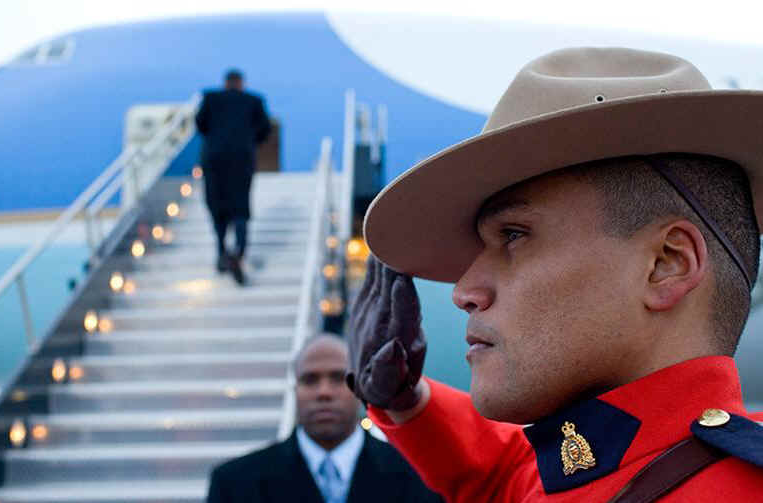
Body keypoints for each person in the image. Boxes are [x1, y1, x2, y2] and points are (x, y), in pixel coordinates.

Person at [345, 47, 763, 502]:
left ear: (667, 264)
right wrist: (407, 403)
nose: (464, 291)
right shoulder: (591, 466)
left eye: (514, 235)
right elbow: (507, 472)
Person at [207, 333, 443, 503]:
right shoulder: (234, 484)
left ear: (360, 387)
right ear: (295, 391)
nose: (324, 392)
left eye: (339, 378)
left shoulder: (417, 476)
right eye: (310, 380)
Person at [195, 69, 271, 285]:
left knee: (216, 205)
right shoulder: (254, 101)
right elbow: (264, 130)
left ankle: (221, 251)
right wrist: (247, 140)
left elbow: (200, 125)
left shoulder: (210, 98)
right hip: (241, 159)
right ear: (241, 83)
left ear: (225, 82)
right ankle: (239, 252)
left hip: (215, 160)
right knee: (240, 207)